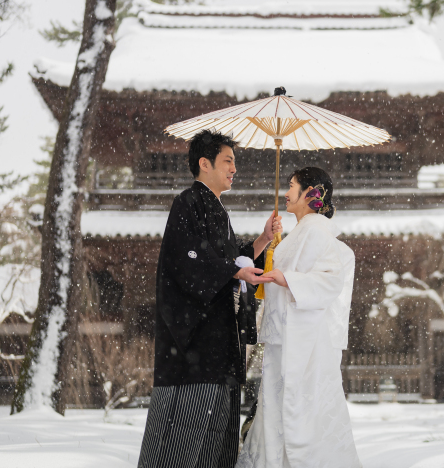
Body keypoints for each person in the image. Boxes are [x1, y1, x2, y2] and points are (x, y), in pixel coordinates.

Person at [138, 130, 282, 468]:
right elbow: (187, 261)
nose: (235, 169)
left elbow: (235, 261)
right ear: (205, 163)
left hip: (218, 341)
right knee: (185, 434)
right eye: (228, 161)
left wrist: (263, 239)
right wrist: (234, 271)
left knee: (217, 435)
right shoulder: (187, 203)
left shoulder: (218, 211)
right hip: (194, 345)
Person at [237, 167, 361, 468]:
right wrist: (272, 243)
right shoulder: (303, 232)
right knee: (284, 409)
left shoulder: (316, 231)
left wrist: (287, 279)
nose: (286, 192)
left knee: (297, 412)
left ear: (311, 193)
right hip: (288, 338)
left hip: (301, 343)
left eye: (292, 186)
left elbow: (330, 279)